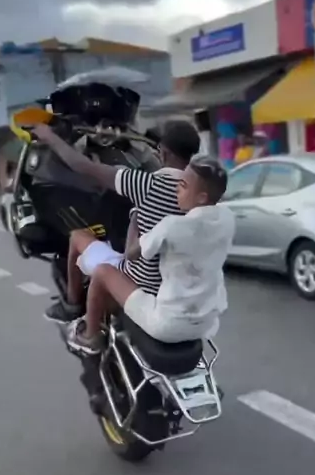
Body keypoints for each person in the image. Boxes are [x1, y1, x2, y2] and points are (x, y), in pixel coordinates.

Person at [33, 119, 201, 323]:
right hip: (180, 285)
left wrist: (49, 136)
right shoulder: (202, 194)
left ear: (164, 153)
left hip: (141, 282)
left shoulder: (144, 183)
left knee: (77, 237)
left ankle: (72, 306)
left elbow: (80, 165)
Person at [66, 155, 235, 355]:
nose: (176, 189)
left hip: (168, 323)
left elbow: (131, 254)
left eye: (183, 185)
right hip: (206, 322)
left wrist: (135, 218)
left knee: (103, 271)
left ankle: (90, 337)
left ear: (202, 198)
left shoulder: (172, 225)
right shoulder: (227, 218)